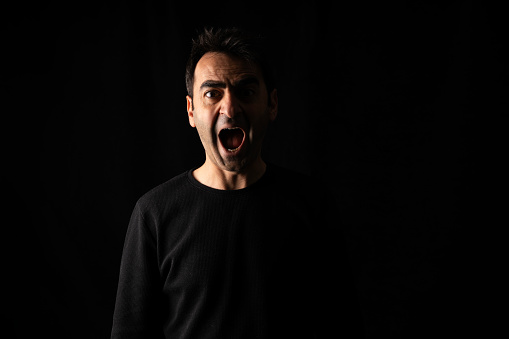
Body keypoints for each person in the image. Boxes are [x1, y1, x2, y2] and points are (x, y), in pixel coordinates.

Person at [111, 27, 364, 338]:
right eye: (212, 93)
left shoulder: (312, 206)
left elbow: (343, 325)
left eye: (245, 91)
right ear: (191, 110)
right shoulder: (153, 214)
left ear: (271, 104)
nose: (229, 109)